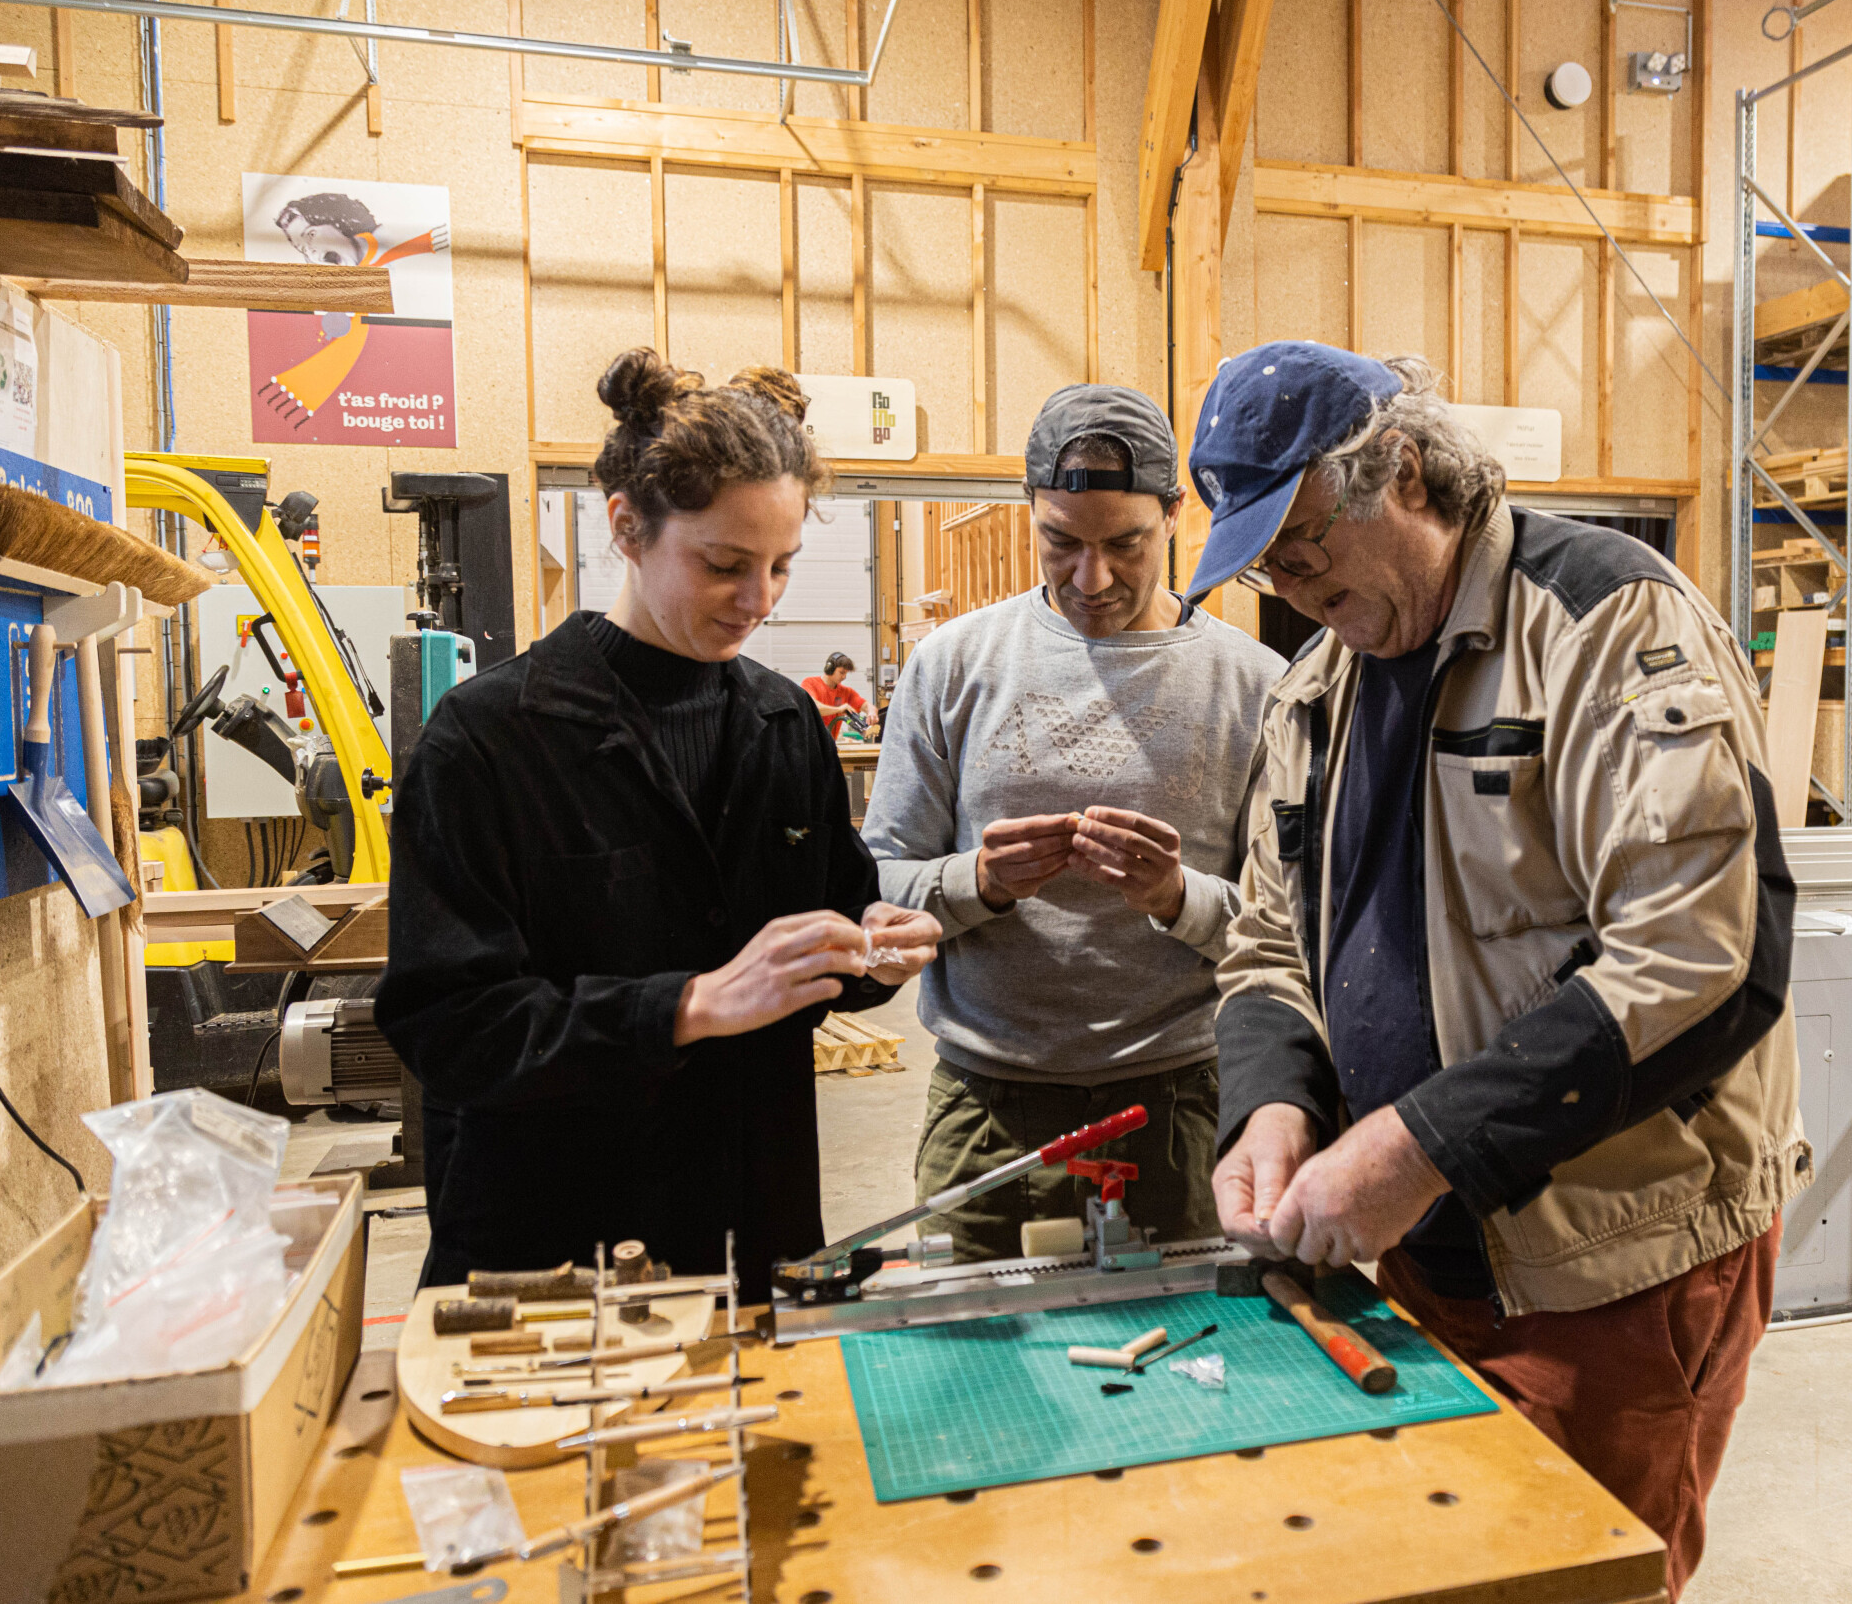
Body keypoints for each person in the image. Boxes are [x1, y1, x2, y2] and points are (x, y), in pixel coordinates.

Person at [1190, 342, 1804, 1601]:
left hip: (1615, 1255)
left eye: (1301, 546)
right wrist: (1273, 1098)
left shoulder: (1607, 623)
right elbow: (1266, 938)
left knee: (1579, 1580)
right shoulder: (1316, 689)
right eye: (1264, 562)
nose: (1286, 585)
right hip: (1422, 1240)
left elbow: (1702, 954)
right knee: (1448, 1565)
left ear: (1402, 474)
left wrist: (1419, 1141)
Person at [376, 347, 941, 1296]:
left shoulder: (783, 723)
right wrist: (686, 1005)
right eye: (723, 565)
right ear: (627, 528)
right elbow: (450, 1027)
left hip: (753, 1230)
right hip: (552, 1251)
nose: (759, 602)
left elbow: (828, 943)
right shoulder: (487, 741)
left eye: (780, 567)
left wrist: (870, 951)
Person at [864, 385, 1287, 1263]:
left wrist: (1177, 897)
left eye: (1124, 544)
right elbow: (878, 881)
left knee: (1193, 1374)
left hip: (1178, 1102)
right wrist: (974, 883)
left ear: (1176, 514)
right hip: (985, 1107)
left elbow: (1291, 928)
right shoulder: (953, 666)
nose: (1092, 578)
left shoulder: (1256, 685)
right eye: (1061, 542)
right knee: (969, 1377)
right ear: (1031, 513)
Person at [802, 652, 877, 740]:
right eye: (841, 672)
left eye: (846, 673)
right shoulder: (810, 683)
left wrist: (872, 712)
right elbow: (813, 707)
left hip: (830, 743)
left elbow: (866, 705)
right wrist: (839, 709)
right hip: (811, 743)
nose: (844, 677)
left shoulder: (845, 692)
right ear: (829, 669)